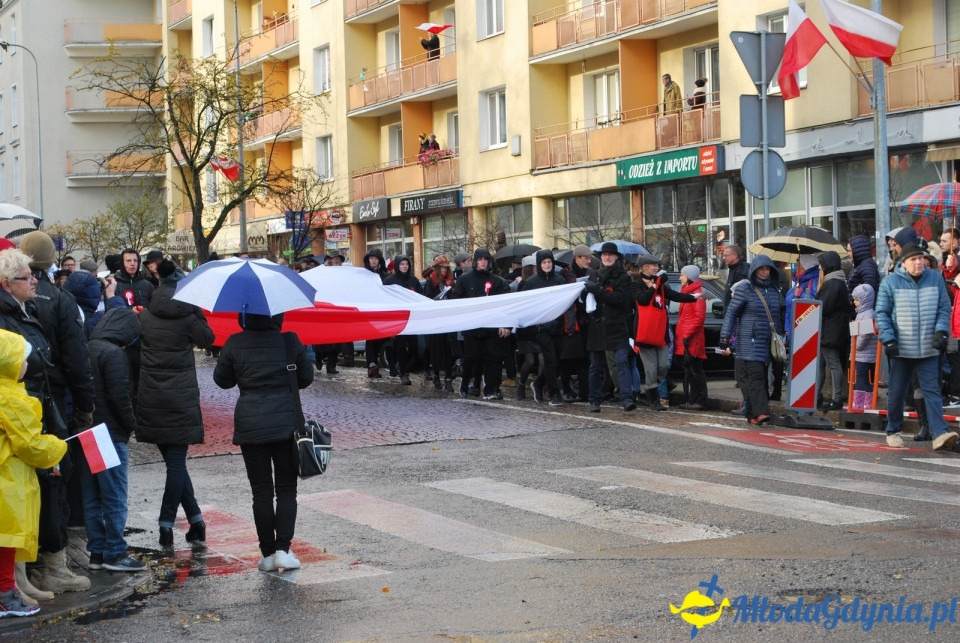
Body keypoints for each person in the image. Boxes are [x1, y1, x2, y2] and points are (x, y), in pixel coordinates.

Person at [14, 233, 96, 594]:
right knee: (53, 480)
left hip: (28, 401)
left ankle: (27, 563)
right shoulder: (59, 301)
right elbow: (78, 360)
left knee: (27, 484)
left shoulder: (26, 302)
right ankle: (50, 564)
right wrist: (85, 406)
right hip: (50, 400)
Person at [213, 312, 313, 572]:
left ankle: (267, 554)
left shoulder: (234, 342)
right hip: (285, 425)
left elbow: (222, 381)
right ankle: (283, 549)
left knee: (261, 491)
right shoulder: (289, 341)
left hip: (250, 424)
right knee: (286, 489)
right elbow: (306, 377)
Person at [136, 260, 215, 548]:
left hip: (152, 396)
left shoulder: (145, 315)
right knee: (176, 465)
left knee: (174, 463)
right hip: (180, 397)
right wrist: (196, 310)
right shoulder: (188, 314)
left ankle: (196, 522)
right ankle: (166, 524)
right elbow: (209, 339)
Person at [0, 329, 68, 617]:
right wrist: (57, 447)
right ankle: (6, 595)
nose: (27, 364)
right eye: (23, 359)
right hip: (9, 480)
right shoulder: (10, 399)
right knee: (7, 538)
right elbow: (31, 445)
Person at [876, 243, 959, 451]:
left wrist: (941, 332)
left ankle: (939, 433)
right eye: (913, 259)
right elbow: (882, 314)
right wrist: (889, 339)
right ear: (903, 263)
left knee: (932, 391)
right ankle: (893, 431)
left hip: (929, 348)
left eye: (921, 258)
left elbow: (942, 308)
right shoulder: (890, 282)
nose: (919, 262)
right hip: (901, 348)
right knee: (897, 392)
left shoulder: (935, 278)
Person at [82, 307, 145, 572]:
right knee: (115, 495)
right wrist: (133, 425)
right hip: (110, 434)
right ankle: (115, 553)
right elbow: (120, 397)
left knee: (94, 495)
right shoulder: (114, 354)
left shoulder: (87, 348)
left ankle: (97, 551)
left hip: (90, 432)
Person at [719, 255, 783, 425]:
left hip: (767, 341)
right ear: (754, 270)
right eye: (761, 269)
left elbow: (778, 317)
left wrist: (781, 336)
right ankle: (762, 411)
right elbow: (731, 313)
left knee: (760, 376)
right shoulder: (744, 289)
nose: (764, 272)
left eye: (767, 269)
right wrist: (725, 337)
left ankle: (752, 414)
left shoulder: (775, 290)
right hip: (749, 341)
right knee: (756, 377)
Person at [632, 255, 698, 410]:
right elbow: (642, 300)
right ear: (644, 266)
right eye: (654, 265)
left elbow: (675, 295)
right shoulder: (635, 284)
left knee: (662, 366)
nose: (657, 268)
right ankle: (654, 400)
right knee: (650, 368)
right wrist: (653, 287)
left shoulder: (660, 285)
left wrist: (694, 297)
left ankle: (658, 389)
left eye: (657, 265)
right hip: (645, 332)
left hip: (660, 332)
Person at [451, 248, 511, 399]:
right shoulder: (465, 280)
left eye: (486, 259)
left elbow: (506, 306)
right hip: (473, 327)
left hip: (491, 327)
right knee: (471, 357)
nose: (483, 262)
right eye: (480, 259)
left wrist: (506, 325)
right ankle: (465, 383)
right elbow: (456, 300)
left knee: (494, 358)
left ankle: (492, 388)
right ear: (476, 261)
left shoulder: (497, 281)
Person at [583, 242, 635, 412]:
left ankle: (626, 398)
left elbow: (621, 300)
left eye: (610, 255)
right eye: (604, 255)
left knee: (622, 362)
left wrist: (598, 291)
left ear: (616, 257)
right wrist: (585, 293)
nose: (607, 257)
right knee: (595, 366)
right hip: (598, 326)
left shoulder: (624, 277)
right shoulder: (595, 275)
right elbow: (588, 299)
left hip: (617, 326)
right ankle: (594, 401)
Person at [517, 249, 568, 406]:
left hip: (556, 327)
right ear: (539, 264)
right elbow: (525, 305)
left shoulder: (559, 280)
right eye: (544, 262)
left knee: (556, 361)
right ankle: (554, 393)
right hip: (540, 329)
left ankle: (539, 383)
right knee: (550, 360)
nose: (547, 265)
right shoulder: (531, 283)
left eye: (549, 262)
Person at [817, 251, 852, 411]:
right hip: (834, 328)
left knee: (832, 363)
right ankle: (817, 396)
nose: (819, 267)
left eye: (821, 264)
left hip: (830, 330)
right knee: (822, 363)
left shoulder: (832, 283)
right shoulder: (838, 281)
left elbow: (824, 306)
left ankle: (836, 399)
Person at [384, 255, 423, 385]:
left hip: (412, 318)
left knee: (414, 346)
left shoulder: (414, 280)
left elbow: (421, 296)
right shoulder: (390, 281)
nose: (404, 266)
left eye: (406, 264)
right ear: (397, 266)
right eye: (402, 264)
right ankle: (403, 374)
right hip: (398, 318)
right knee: (400, 346)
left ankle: (404, 366)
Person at [675, 265, 708, 410]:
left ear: (688, 277)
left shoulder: (697, 295)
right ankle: (693, 399)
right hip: (686, 337)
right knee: (691, 370)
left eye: (682, 275)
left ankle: (700, 400)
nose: (680, 278)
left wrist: (687, 335)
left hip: (692, 339)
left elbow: (699, 318)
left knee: (695, 370)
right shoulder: (688, 293)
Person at [423, 255, 457, 392]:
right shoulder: (431, 281)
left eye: (446, 267)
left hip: (448, 319)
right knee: (436, 350)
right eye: (442, 267)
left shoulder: (451, 281)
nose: (444, 270)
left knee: (449, 350)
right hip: (435, 320)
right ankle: (436, 375)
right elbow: (427, 299)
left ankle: (448, 378)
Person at [362, 248, 390, 378]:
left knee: (383, 337)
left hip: (382, 311)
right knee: (370, 338)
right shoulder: (363, 274)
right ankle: (371, 364)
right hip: (369, 310)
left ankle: (377, 361)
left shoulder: (385, 275)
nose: (373, 261)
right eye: (371, 258)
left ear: (379, 260)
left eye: (375, 258)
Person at [850, 284, 877, 410]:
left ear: (864, 300)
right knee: (865, 379)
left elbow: (865, 335)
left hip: (863, 354)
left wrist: (857, 347)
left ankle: (859, 403)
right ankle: (866, 403)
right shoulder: (865, 313)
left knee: (861, 378)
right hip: (865, 354)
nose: (854, 302)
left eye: (857, 300)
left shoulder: (867, 315)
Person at [846, 235, 880, 299]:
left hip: (863, 306)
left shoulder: (867, 266)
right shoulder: (860, 264)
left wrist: (852, 299)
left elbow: (867, 291)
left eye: (850, 251)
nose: (848, 254)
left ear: (857, 251)